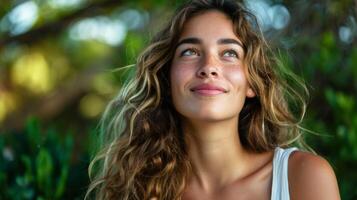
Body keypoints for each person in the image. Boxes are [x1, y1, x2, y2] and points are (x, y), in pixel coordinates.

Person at [86, 0, 341, 199]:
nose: (209, 66)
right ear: (167, 80)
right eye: (190, 51)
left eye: (229, 52)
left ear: (251, 81)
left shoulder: (303, 176)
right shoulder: (138, 188)